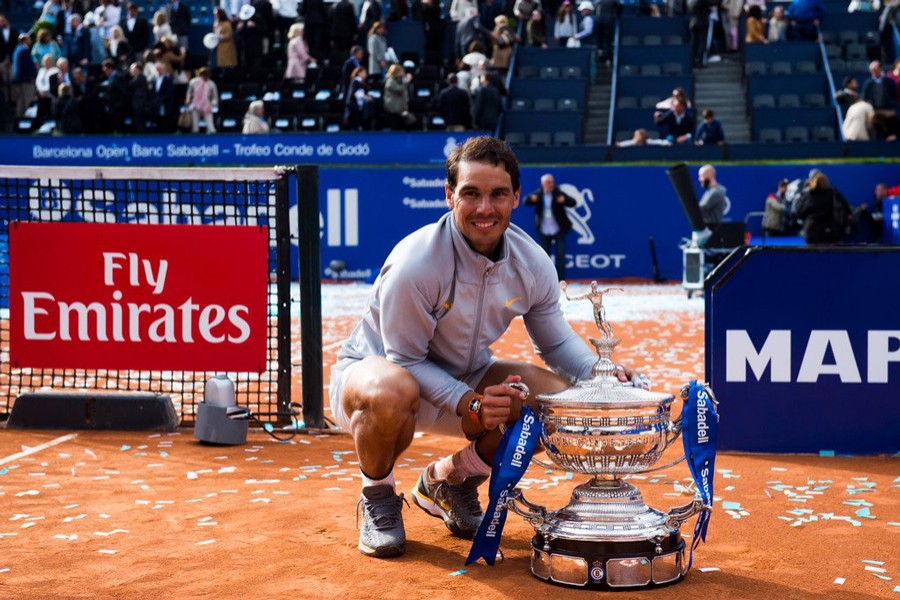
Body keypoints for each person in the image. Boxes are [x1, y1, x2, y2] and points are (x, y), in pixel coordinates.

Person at [330, 136, 645, 559]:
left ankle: (450, 482)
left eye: (498, 194)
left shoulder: (532, 263)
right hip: (378, 380)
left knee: (551, 403)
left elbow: (554, 342)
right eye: (471, 194)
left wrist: (601, 375)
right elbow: (403, 359)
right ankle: (378, 496)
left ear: (516, 196)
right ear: (449, 196)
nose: (484, 208)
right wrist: (471, 403)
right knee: (392, 390)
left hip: (466, 381)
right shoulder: (416, 263)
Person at [523, 173, 577, 281]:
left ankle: (561, 281)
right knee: (544, 257)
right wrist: (531, 199)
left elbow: (573, 202)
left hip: (558, 230)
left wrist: (564, 200)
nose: (550, 184)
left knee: (560, 256)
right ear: (543, 184)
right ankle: (545, 281)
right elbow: (525, 200)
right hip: (544, 230)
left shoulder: (558, 193)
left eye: (552, 182)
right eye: (548, 182)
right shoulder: (538, 194)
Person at [794, 171, 853, 244]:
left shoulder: (807, 195)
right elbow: (842, 205)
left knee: (812, 254)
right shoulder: (831, 193)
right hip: (827, 230)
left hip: (810, 230)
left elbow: (798, 212)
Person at [185, 66, 218, 133]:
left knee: (211, 127)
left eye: (206, 75)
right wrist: (188, 100)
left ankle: (211, 140)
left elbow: (215, 98)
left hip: (207, 106)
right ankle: (195, 141)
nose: (205, 77)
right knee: (195, 128)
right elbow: (189, 93)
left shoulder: (212, 84)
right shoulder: (193, 82)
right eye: (203, 75)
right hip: (195, 106)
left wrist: (211, 106)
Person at [382, 63, 412, 129]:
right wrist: (407, 81)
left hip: (399, 108)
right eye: (400, 71)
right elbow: (400, 89)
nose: (402, 73)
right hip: (392, 108)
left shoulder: (399, 80)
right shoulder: (390, 81)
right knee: (394, 126)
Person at [344, 65, 374, 130]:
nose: (366, 74)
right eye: (364, 72)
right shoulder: (356, 82)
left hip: (359, 108)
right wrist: (367, 98)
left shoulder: (362, 82)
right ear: (359, 73)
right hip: (354, 108)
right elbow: (358, 94)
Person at [698, 164, 727, 228]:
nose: (699, 179)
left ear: (708, 175)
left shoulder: (716, 192)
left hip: (711, 232)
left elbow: (700, 209)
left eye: (701, 176)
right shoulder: (710, 191)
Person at [128, 61, 151, 132]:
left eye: (132, 69)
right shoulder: (137, 78)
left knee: (140, 123)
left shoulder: (141, 77)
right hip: (137, 105)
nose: (130, 70)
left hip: (140, 105)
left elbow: (130, 84)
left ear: (138, 69)